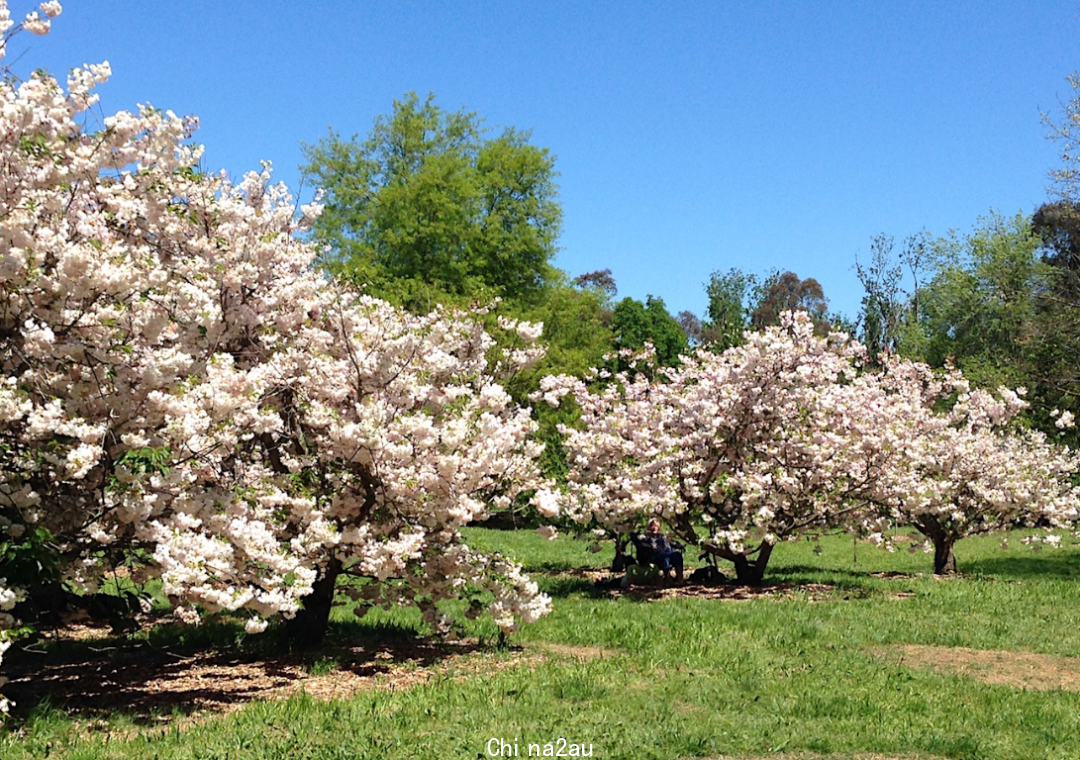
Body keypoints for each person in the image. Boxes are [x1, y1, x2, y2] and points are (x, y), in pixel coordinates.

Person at [634, 518, 684, 583]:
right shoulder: (645, 538)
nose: (654, 528)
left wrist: (678, 545)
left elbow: (671, 544)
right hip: (654, 556)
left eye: (656, 526)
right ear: (648, 528)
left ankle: (679, 578)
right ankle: (667, 578)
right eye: (652, 525)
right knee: (665, 557)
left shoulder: (663, 537)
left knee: (677, 555)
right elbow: (644, 547)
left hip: (668, 553)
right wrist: (650, 542)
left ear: (659, 528)